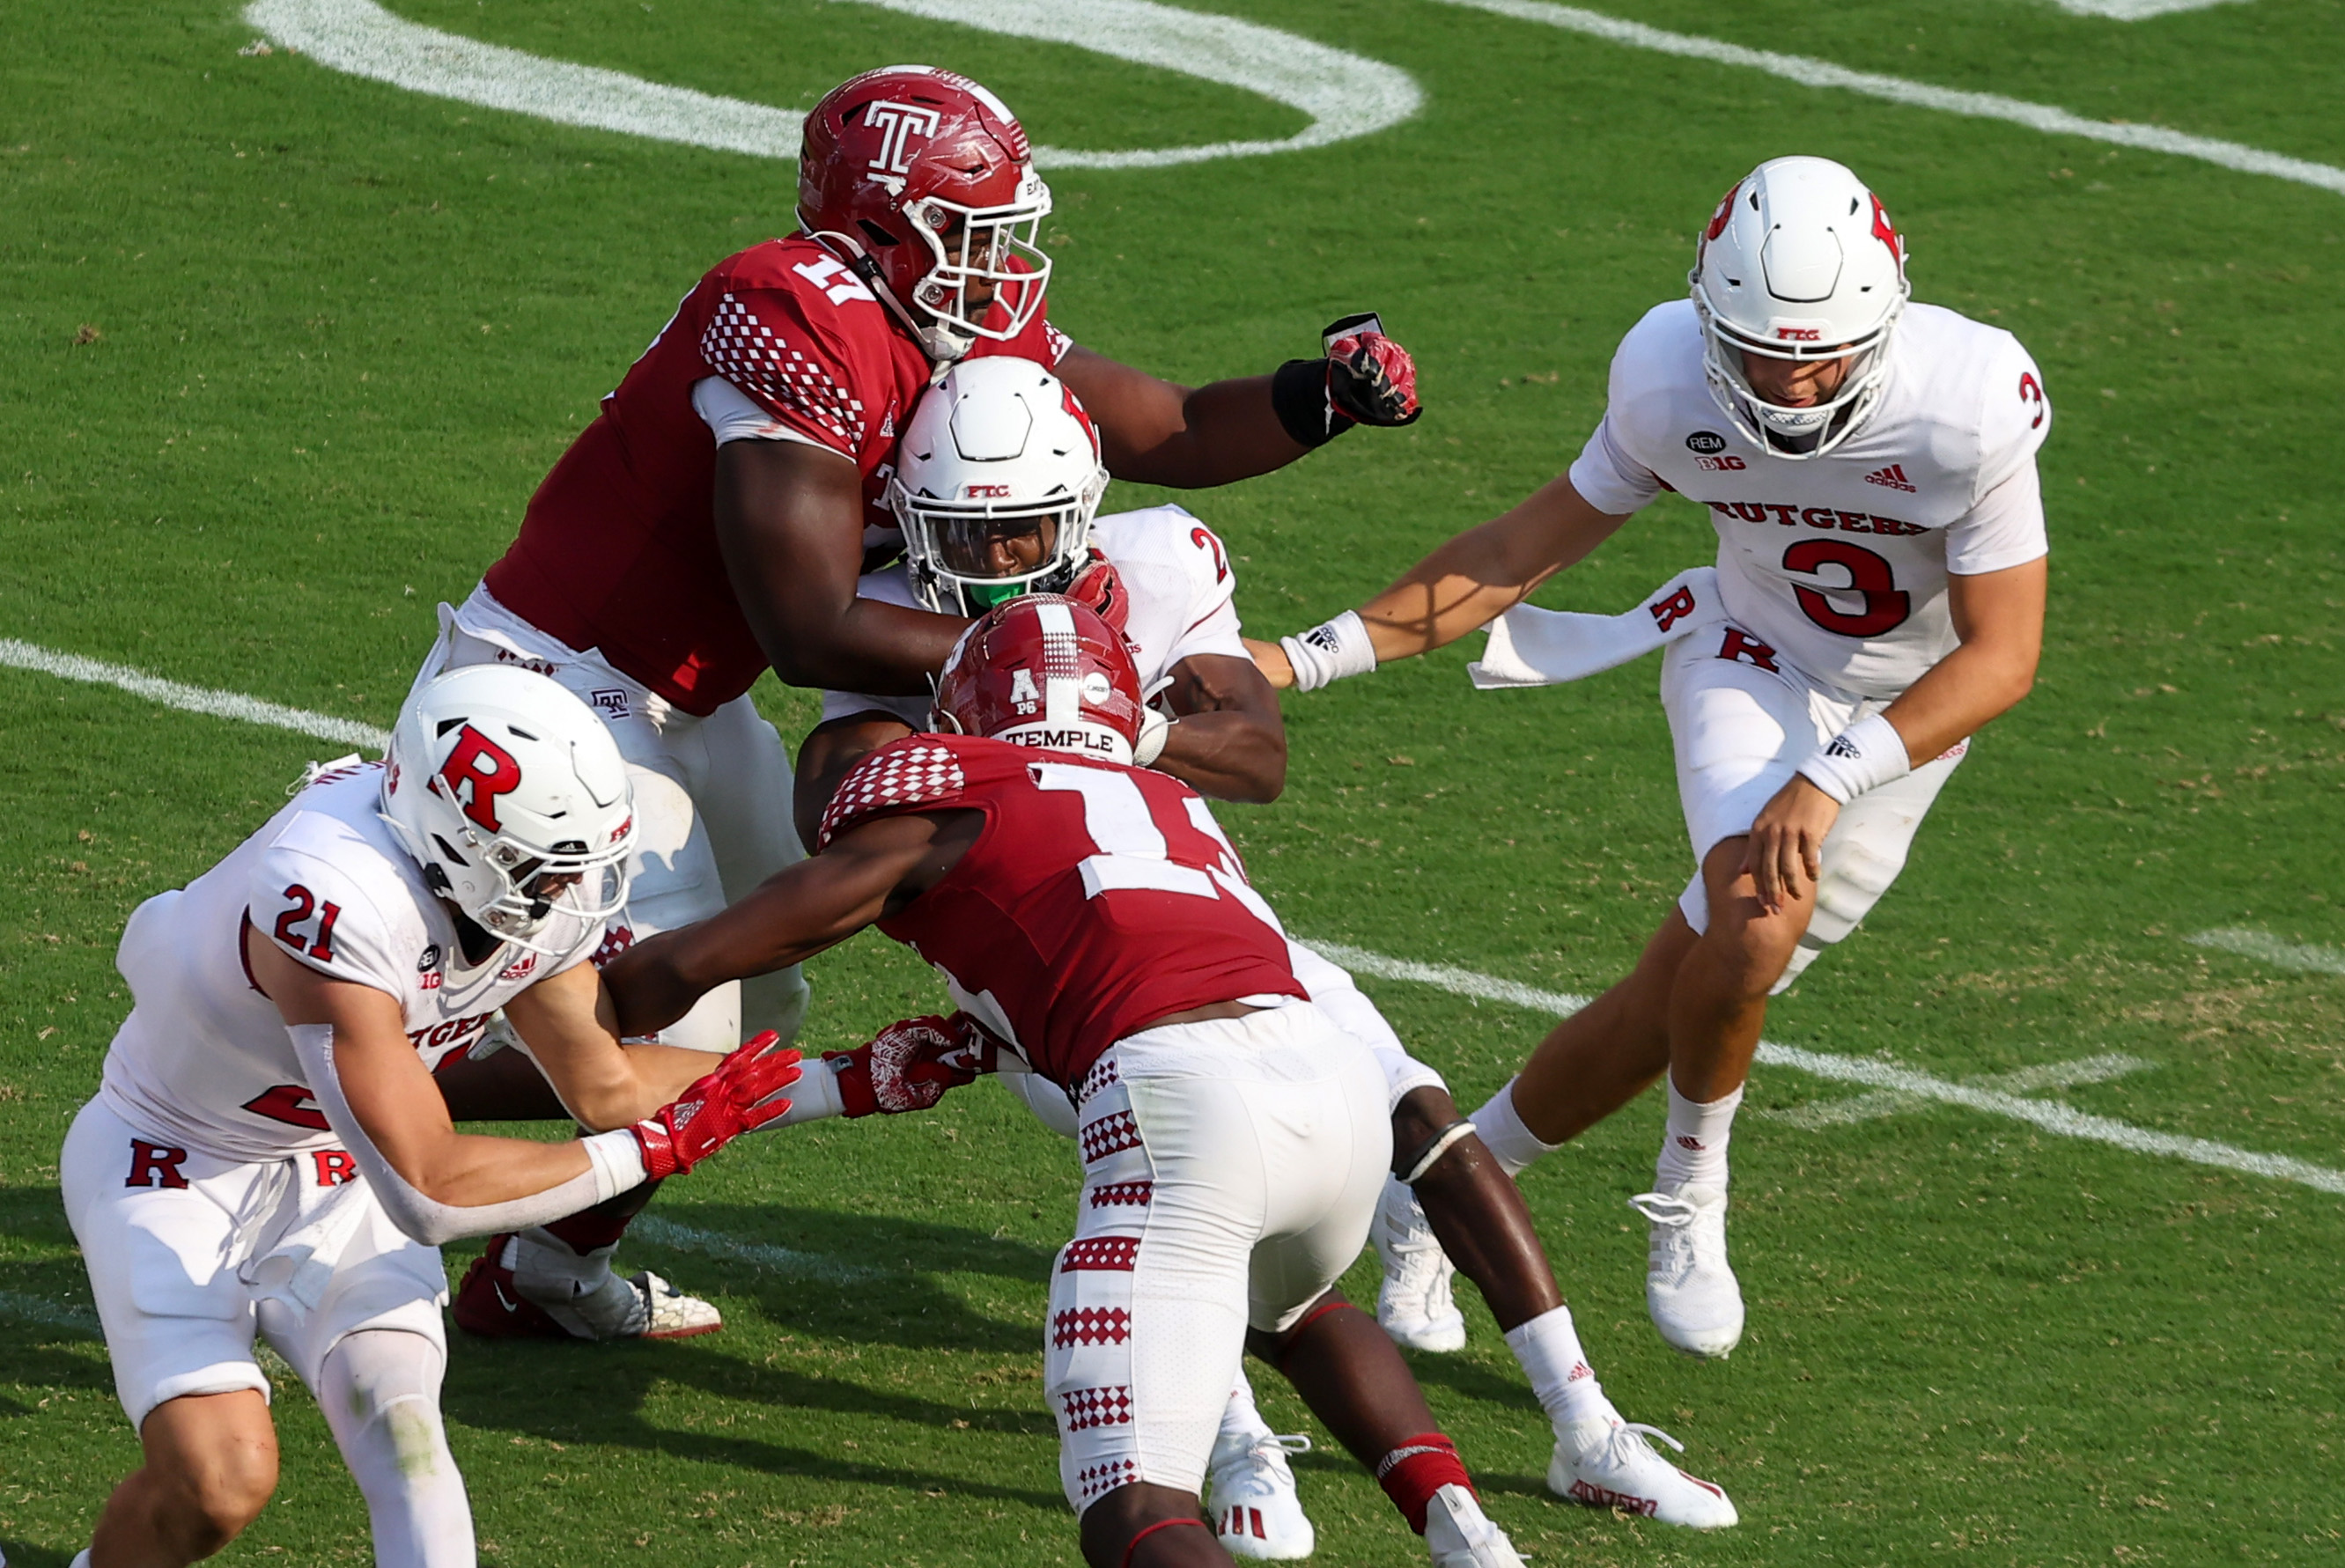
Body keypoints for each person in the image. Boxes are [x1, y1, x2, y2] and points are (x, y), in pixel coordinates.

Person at [424, 62, 1419, 1336]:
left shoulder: (948, 309)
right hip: (557, 684)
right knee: (662, 1009)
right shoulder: (787, 311)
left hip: (682, 698)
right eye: (972, 230)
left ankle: (546, 1271)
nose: (999, 261)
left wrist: (1315, 397)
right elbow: (808, 626)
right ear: (876, 224)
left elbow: (1160, 427)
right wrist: (1045, 651)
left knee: (761, 1002)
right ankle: (358, 1091)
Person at [794, 357, 1734, 1547]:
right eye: (966, 536)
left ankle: (1582, 1425)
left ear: (1076, 512)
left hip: (1202, 914)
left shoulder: (1152, 563)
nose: (994, 564)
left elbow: (1258, 755)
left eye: (1021, 532)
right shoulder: (875, 616)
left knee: (1413, 1113)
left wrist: (1113, 721)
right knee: (1198, 1196)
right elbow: (833, 801)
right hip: (1053, 959)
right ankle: (1236, 1439)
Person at [1250, 155, 2052, 1361]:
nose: (1787, 380)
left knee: (1671, 998)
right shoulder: (1668, 371)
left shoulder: (1965, 400)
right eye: (1759, 350)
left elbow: (1999, 657)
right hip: (1746, 653)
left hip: (1905, 716)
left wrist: (1832, 774)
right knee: (1753, 914)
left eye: (1819, 353)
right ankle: (1689, 1193)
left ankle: (1434, 1193)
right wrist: (1304, 658)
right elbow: (1523, 546)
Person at [601, 598, 1526, 1568]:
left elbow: (698, 961)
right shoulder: (1171, 800)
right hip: (1329, 1086)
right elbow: (1096, 949)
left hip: (1181, 1103)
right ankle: (1463, 1527)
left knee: (1132, 1505)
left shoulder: (947, 786)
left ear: (958, 716)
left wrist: (573, 1001)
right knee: (1288, 1309)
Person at [57, 666, 800, 1568]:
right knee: (220, 1481)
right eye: (541, 867)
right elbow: (429, 1188)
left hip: (339, 1162)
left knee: (410, 1452)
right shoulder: (332, 892)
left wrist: (847, 1078)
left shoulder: (516, 888)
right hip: (174, 1160)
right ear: (455, 841)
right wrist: (644, 1150)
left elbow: (601, 1080)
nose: (568, 893)